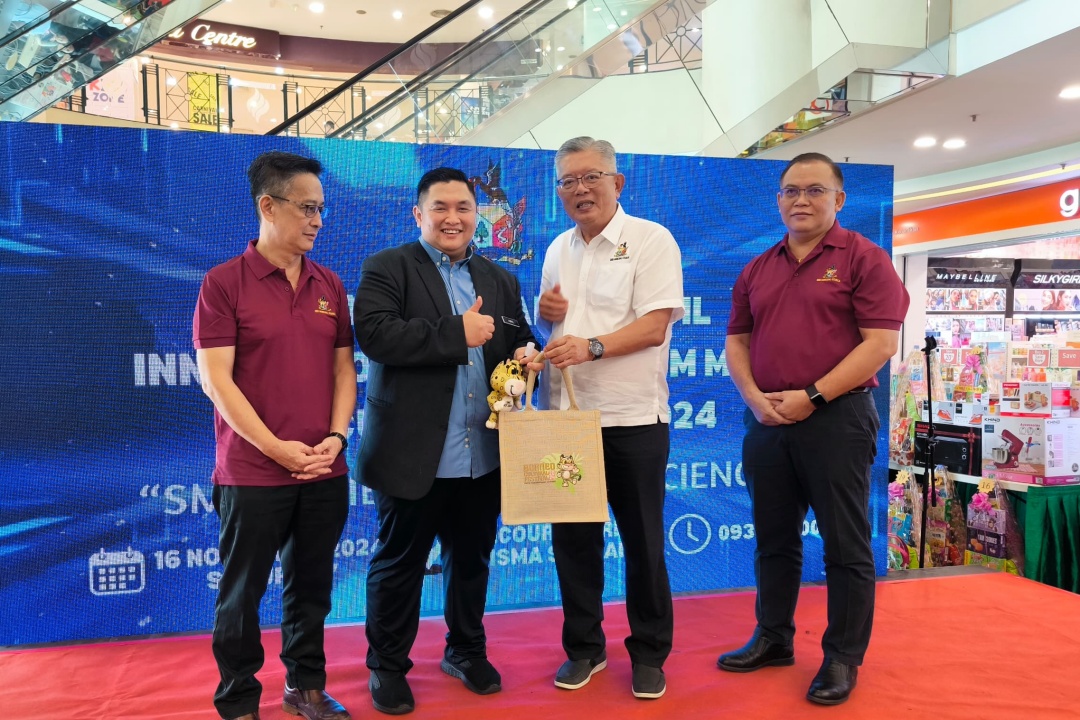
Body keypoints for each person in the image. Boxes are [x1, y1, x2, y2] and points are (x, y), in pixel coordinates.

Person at [718, 152, 909, 706]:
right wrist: (754, 398)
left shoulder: (865, 259)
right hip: (767, 420)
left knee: (845, 546)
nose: (801, 200)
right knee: (774, 542)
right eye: (791, 191)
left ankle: (842, 657)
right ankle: (773, 639)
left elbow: (880, 344)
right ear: (778, 199)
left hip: (838, 419)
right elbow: (737, 340)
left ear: (839, 199)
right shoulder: (758, 266)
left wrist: (814, 396)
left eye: (815, 191)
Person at [353, 167, 536, 715]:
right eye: (440, 208)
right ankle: (386, 666)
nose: (453, 217)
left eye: (463, 207)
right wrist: (457, 332)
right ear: (419, 214)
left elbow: (516, 335)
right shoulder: (388, 267)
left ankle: (466, 650)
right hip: (414, 451)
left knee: (473, 558)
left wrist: (528, 357)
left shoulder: (498, 278)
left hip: (484, 452)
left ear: (477, 213)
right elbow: (377, 335)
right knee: (398, 563)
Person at [194, 151, 355, 720]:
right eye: (307, 208)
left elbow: (343, 372)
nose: (317, 220)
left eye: (321, 210)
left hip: (323, 469)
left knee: (311, 589)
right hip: (253, 472)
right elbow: (218, 382)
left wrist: (335, 439)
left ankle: (304, 686)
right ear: (268, 205)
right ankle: (238, 699)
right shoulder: (223, 284)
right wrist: (276, 448)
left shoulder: (328, 284)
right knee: (241, 596)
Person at [535, 137, 684, 700]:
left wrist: (591, 347)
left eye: (591, 177)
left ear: (617, 183)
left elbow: (654, 327)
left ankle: (649, 653)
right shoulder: (556, 249)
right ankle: (584, 649)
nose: (580, 189)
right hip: (565, 422)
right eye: (568, 181)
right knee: (573, 542)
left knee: (643, 542)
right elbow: (554, 326)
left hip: (632, 420)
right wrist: (544, 321)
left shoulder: (650, 239)